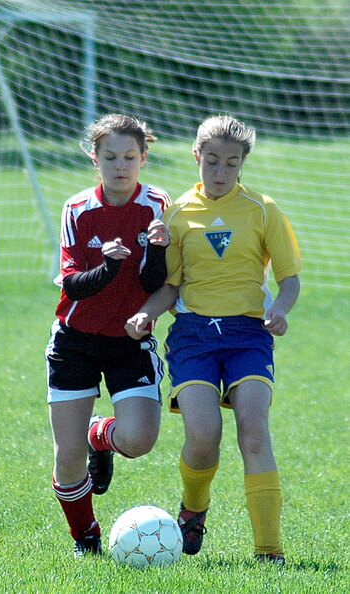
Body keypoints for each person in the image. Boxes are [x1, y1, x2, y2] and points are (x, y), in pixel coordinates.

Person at [125, 114, 301, 565]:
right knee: (203, 436)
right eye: (213, 162)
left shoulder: (263, 210)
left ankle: (269, 551)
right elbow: (171, 287)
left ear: (243, 163)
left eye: (232, 164)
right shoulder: (178, 214)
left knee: (254, 433)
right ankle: (194, 507)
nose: (221, 172)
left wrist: (280, 309)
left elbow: (290, 279)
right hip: (194, 336)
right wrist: (147, 312)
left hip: (248, 335)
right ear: (196, 156)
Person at [45, 114, 171, 557]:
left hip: (128, 341)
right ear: (94, 159)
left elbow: (156, 281)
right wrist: (109, 266)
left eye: (130, 157)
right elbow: (73, 285)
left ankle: (99, 435)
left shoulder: (157, 205)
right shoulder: (77, 209)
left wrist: (158, 249)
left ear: (144, 158)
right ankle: (86, 536)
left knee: (138, 441)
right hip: (75, 339)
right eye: (111, 157)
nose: (121, 165)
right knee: (67, 458)